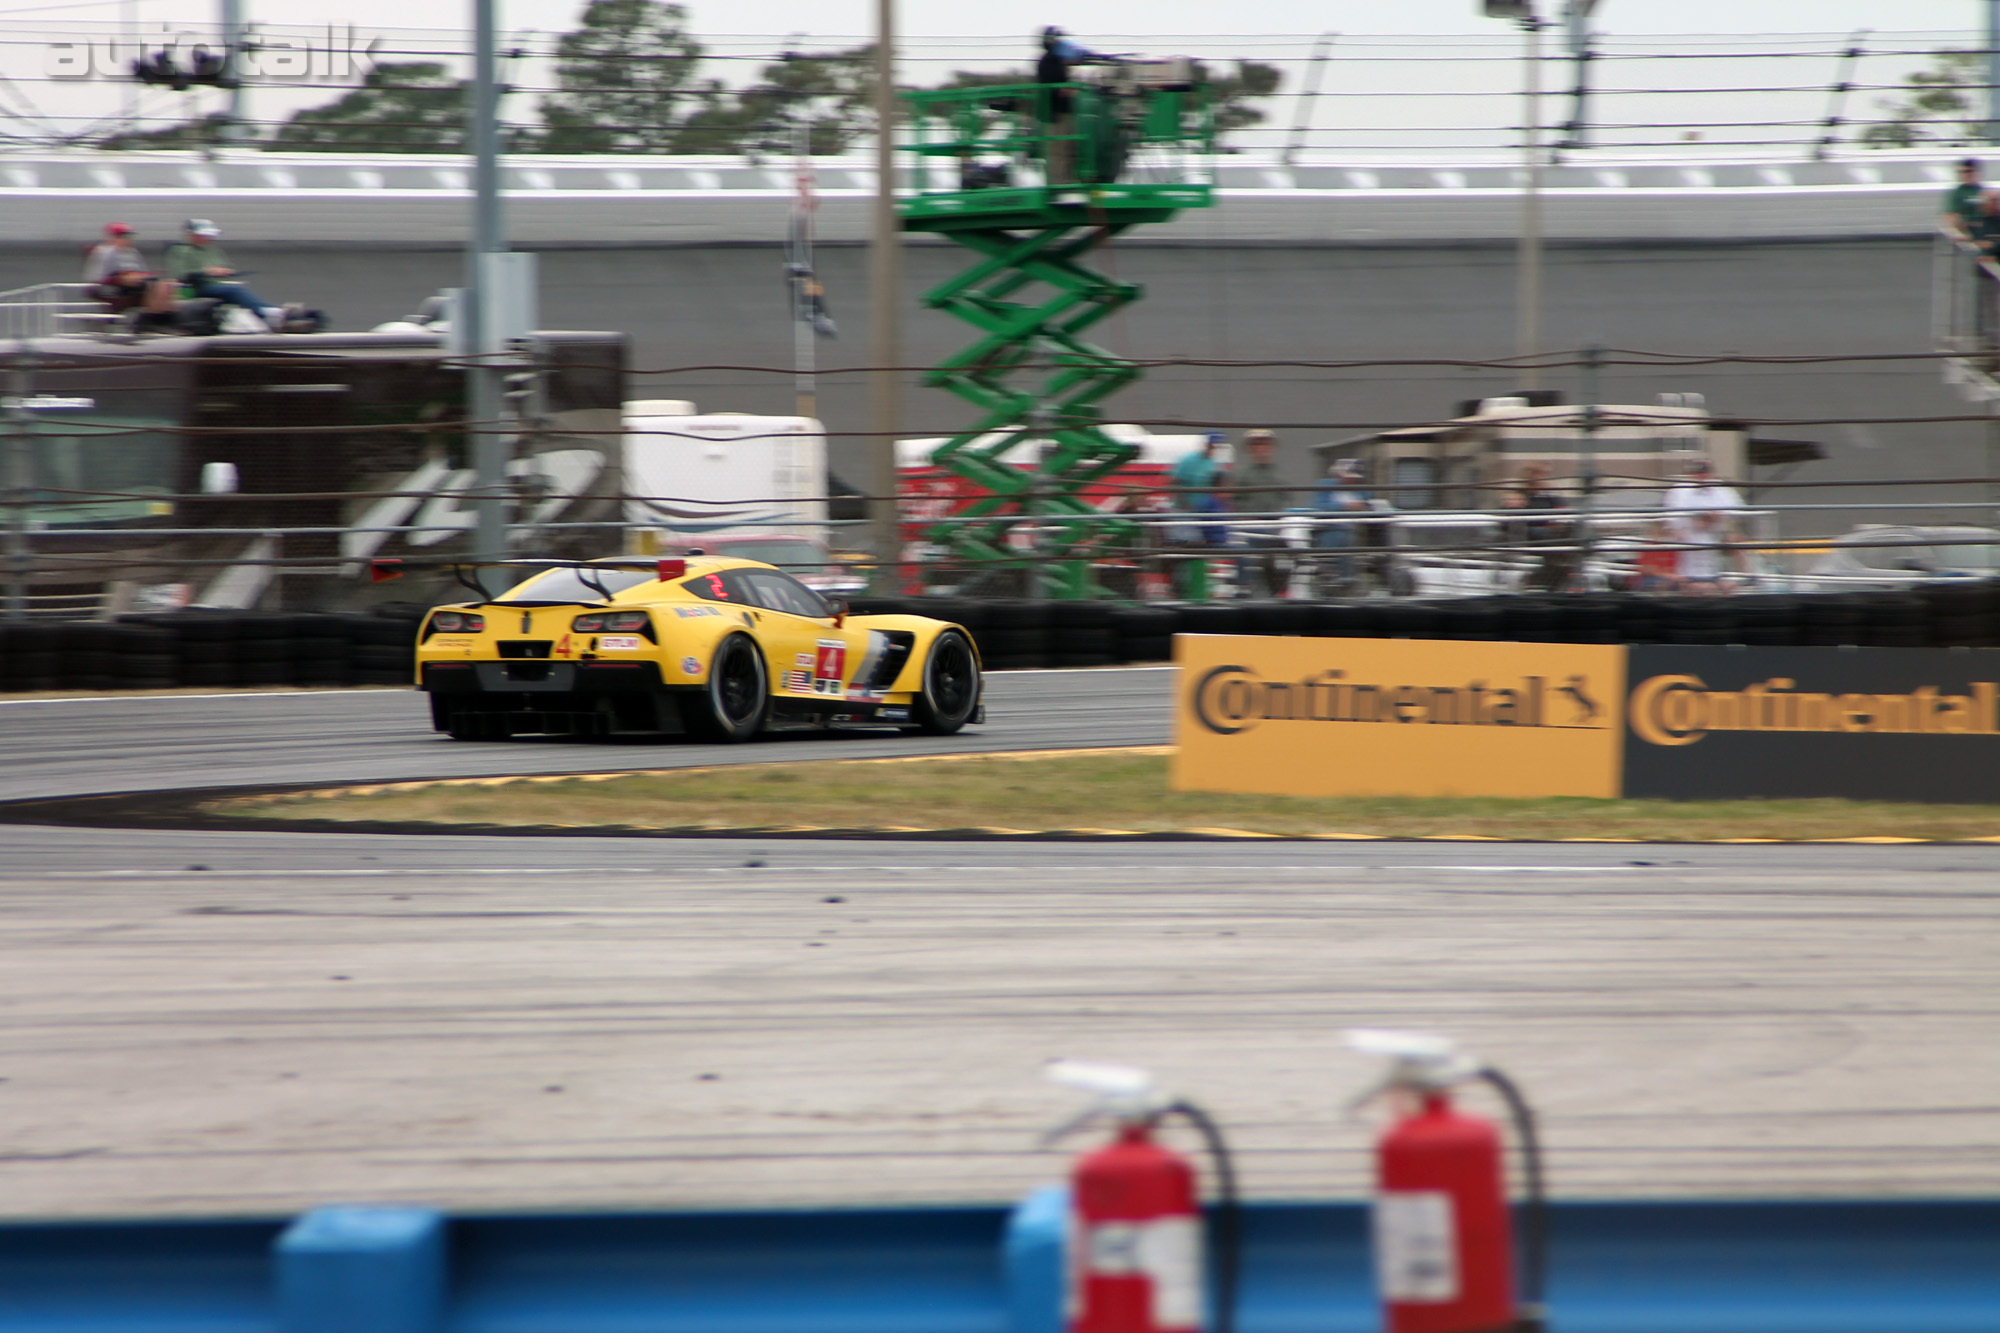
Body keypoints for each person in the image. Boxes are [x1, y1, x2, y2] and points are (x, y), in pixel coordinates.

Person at [164, 218, 285, 331]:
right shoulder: (179, 250)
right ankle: (267, 312)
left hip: (218, 285)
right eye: (204, 235)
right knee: (234, 290)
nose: (209, 238)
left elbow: (225, 265)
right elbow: (181, 275)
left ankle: (272, 311)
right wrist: (206, 272)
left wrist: (225, 271)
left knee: (237, 289)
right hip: (196, 288)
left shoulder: (212, 249)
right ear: (191, 235)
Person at [1036, 26, 1111, 184]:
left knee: (1069, 148)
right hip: (1055, 114)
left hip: (1062, 112)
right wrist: (1075, 89)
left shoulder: (1057, 62)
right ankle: (1060, 184)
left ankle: (1070, 181)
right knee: (1060, 150)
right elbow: (1058, 89)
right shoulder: (1050, 62)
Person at [1663, 458, 1744, 592]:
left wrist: (1716, 518)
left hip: (1716, 546)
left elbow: (1737, 512)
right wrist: (1701, 519)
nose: (1701, 476)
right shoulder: (1679, 491)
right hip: (1688, 554)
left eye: (1705, 472)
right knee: (1701, 587)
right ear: (1690, 473)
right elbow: (1674, 520)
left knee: (1736, 543)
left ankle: (1748, 577)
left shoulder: (1723, 491)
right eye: (1697, 472)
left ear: (1712, 473)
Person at [1229, 428, 1292, 597]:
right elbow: (1236, 500)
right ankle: (1248, 591)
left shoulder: (1278, 474)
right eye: (1256, 444)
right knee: (1250, 560)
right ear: (1250, 449)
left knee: (1284, 558)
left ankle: (1274, 593)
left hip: (1275, 527)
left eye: (1264, 444)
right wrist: (1246, 516)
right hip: (1252, 527)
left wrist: (1280, 516)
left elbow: (1286, 497)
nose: (1261, 448)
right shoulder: (1243, 474)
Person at [1168, 433, 1226, 597]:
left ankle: (1200, 587)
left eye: (1216, 446)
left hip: (1202, 514)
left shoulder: (1214, 464)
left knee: (1200, 550)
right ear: (1205, 444)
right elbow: (1175, 482)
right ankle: (1179, 588)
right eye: (1212, 445)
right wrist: (1185, 505)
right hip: (1183, 512)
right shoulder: (1189, 460)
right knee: (1185, 549)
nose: (1213, 448)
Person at [80, 223, 175, 320]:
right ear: (113, 237)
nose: (128, 240)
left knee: (163, 285)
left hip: (135, 284)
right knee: (153, 287)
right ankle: (153, 319)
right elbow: (99, 277)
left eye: (129, 236)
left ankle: (163, 317)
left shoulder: (132, 252)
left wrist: (142, 276)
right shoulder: (105, 252)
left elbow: (141, 271)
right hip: (114, 288)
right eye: (124, 236)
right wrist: (123, 277)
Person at [1312, 457, 1372, 591]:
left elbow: (1369, 504)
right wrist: (1345, 506)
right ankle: (1344, 578)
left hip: (1357, 531)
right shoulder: (1325, 486)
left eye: (1354, 478)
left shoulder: (1360, 490)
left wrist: (1365, 506)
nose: (1351, 480)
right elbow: (1318, 507)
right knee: (1343, 538)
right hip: (1328, 530)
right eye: (1348, 477)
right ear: (1339, 474)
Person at [1944, 158, 1985, 240]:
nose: (1966, 174)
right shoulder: (1956, 193)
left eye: (1969, 171)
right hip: (1966, 230)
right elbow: (1951, 215)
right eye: (1962, 172)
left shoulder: (1985, 191)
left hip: (1985, 229)